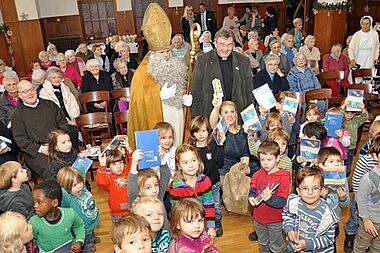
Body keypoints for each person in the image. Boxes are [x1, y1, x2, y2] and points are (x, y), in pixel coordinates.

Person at [127, 3, 189, 148]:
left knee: (178, 143)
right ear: (152, 52)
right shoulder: (142, 73)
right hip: (159, 117)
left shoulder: (176, 63)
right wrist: (158, 96)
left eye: (168, 51)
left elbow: (181, 85)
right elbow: (139, 105)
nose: (166, 55)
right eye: (161, 53)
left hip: (177, 114)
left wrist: (185, 99)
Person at [11, 80, 69, 180]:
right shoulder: (17, 115)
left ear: (36, 90)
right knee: (54, 171)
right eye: (25, 91)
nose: (30, 93)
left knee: (77, 165)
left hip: (58, 145)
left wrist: (58, 143)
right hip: (36, 152)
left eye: (31, 89)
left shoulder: (50, 105)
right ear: (19, 95)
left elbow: (63, 124)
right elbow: (21, 140)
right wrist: (42, 149)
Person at [192, 28, 253, 118]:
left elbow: (249, 90)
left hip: (237, 113)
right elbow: (196, 90)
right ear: (215, 44)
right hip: (211, 113)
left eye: (229, 45)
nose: (225, 49)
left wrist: (250, 117)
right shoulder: (203, 60)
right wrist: (197, 117)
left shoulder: (243, 61)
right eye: (222, 45)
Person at [282, 167, 338, 252]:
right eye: (305, 188)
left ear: (322, 190)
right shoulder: (294, 202)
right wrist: (289, 229)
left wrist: (307, 244)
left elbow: (328, 239)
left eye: (315, 188)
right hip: (294, 247)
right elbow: (288, 215)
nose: (310, 192)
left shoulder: (327, 214)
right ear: (298, 191)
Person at [248, 140, 290, 252]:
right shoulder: (257, 174)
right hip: (258, 218)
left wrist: (270, 199)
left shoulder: (284, 176)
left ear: (278, 158)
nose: (265, 163)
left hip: (275, 220)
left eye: (269, 159)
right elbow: (252, 189)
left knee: (277, 246)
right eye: (262, 160)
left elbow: (283, 201)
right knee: (263, 243)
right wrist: (251, 197)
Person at [169, 144, 216, 238]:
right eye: (185, 162)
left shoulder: (205, 181)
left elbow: (209, 205)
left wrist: (211, 226)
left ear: (198, 161)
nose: (190, 165)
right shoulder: (175, 187)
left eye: (193, 160)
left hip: (201, 224)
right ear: (179, 166)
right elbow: (176, 213)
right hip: (185, 228)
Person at [189, 116, 224, 236]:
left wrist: (220, 145)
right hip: (198, 184)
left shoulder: (213, 145)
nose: (201, 134)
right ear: (193, 134)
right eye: (197, 131)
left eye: (203, 130)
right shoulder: (192, 150)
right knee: (201, 206)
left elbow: (220, 162)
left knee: (216, 206)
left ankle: (217, 223)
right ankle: (203, 226)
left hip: (213, 183)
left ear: (208, 131)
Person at [29, 179, 85, 253]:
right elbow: (31, 242)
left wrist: (79, 241)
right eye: (34, 201)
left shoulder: (70, 214)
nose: (35, 206)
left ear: (54, 202)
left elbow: (79, 226)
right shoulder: (34, 222)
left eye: (39, 202)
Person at [346, 135, 380, 251]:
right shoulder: (368, 178)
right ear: (375, 156)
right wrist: (366, 220)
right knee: (361, 246)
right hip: (370, 221)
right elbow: (360, 200)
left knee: (377, 247)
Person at [57, 167, 100, 253]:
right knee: (86, 241)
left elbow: (81, 169)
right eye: (74, 185)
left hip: (91, 223)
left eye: (80, 182)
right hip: (83, 229)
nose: (80, 185)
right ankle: (87, 248)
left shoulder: (83, 188)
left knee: (91, 233)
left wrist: (81, 157)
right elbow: (61, 190)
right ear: (65, 188)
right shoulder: (68, 198)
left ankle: (92, 237)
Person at [317, 147, 350, 252]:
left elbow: (345, 205)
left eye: (338, 161)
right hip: (317, 223)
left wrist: (343, 197)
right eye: (331, 161)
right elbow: (309, 203)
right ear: (321, 165)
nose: (336, 164)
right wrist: (321, 197)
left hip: (334, 223)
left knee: (332, 246)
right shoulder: (317, 180)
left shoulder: (343, 180)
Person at [209, 101, 250, 179]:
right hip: (221, 171)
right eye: (226, 112)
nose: (230, 115)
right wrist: (216, 107)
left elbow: (244, 155)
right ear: (220, 115)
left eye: (232, 112)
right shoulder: (220, 131)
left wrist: (242, 170)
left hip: (237, 170)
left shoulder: (243, 131)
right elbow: (212, 124)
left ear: (236, 114)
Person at [96, 143, 132, 222]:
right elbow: (100, 182)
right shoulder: (109, 178)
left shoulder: (126, 171)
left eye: (121, 163)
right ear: (108, 166)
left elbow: (133, 164)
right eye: (114, 164)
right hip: (117, 213)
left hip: (131, 210)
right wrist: (102, 165)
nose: (119, 166)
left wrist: (129, 150)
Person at [341, 98, 368, 179]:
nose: (349, 114)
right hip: (339, 147)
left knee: (348, 166)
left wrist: (363, 109)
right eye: (347, 112)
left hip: (350, 148)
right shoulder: (340, 120)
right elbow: (337, 114)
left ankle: (346, 181)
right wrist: (344, 105)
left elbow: (364, 117)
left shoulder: (355, 120)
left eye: (352, 112)